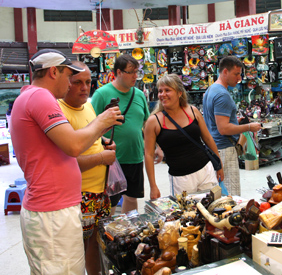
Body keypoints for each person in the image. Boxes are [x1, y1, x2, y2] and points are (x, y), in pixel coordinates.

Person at [10, 49, 123, 275]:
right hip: (53, 213)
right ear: (53, 72)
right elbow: (73, 146)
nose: (71, 84)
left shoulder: (29, 97)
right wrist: (102, 121)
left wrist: (98, 137)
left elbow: (58, 145)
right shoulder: (41, 97)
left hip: (53, 209)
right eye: (68, 76)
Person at [58, 61, 116, 275]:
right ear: (66, 83)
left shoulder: (89, 106)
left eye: (88, 82)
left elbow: (91, 140)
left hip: (100, 192)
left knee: (96, 243)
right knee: (77, 249)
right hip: (79, 195)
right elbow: (67, 162)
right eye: (78, 82)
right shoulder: (59, 111)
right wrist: (102, 157)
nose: (84, 87)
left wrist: (105, 143)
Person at [91, 54, 155, 214]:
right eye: (131, 72)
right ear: (119, 72)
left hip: (134, 157)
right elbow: (90, 125)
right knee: (110, 202)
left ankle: (130, 232)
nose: (135, 76)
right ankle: (109, 235)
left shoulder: (139, 95)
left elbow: (147, 123)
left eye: (137, 72)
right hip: (111, 160)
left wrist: (156, 147)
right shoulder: (102, 94)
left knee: (132, 197)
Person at [144, 74, 223, 199]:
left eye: (167, 90)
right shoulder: (154, 121)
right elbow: (148, 155)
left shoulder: (192, 111)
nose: (162, 94)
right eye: (160, 91)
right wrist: (153, 186)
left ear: (179, 93)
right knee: (187, 215)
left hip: (206, 171)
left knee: (213, 208)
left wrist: (219, 165)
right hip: (181, 179)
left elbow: (207, 139)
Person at [202, 56, 261, 196]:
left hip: (214, 148)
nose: (239, 78)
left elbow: (214, 121)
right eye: (236, 74)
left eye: (240, 74)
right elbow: (223, 129)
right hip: (224, 150)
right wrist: (249, 127)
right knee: (231, 197)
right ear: (225, 72)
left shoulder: (211, 90)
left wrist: (235, 121)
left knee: (219, 193)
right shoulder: (223, 95)